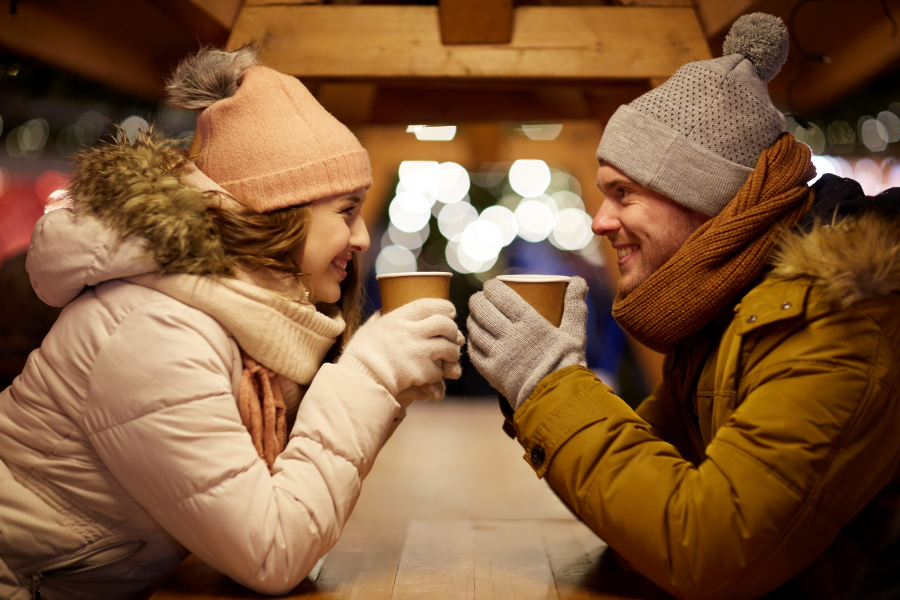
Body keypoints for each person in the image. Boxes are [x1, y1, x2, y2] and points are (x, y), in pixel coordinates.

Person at [0, 44, 464, 600]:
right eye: (346, 211)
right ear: (278, 214)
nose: (362, 237)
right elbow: (271, 553)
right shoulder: (156, 330)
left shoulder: (236, 317)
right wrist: (369, 377)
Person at [468, 13, 900, 600]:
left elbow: (704, 546)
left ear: (707, 198)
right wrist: (543, 390)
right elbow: (638, 518)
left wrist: (548, 384)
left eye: (624, 193)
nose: (599, 220)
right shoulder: (723, 311)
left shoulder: (843, 319)